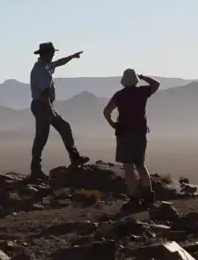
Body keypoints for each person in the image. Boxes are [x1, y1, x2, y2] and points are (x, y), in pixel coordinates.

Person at [29, 42, 90, 179]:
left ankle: (74, 157)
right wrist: (51, 112)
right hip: (42, 105)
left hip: (44, 104)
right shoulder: (41, 70)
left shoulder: (45, 66)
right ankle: (36, 169)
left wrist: (72, 57)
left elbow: (58, 63)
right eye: (51, 52)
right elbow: (44, 94)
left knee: (64, 127)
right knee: (42, 136)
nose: (53, 55)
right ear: (45, 54)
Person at [102, 69, 161, 207]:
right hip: (140, 132)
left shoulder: (120, 95)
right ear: (136, 80)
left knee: (128, 167)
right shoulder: (142, 92)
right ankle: (149, 195)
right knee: (140, 164)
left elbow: (106, 111)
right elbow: (156, 84)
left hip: (124, 133)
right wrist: (143, 76)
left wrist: (112, 124)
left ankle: (134, 197)